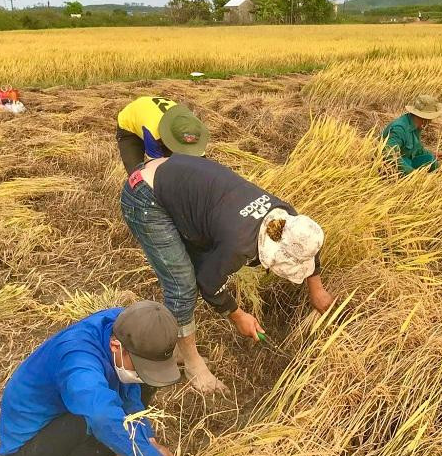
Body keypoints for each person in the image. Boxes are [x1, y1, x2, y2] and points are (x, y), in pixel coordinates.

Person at [120, 155, 334, 395]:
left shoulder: (286, 217)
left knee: (191, 262)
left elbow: (308, 245)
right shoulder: (239, 245)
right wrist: (238, 315)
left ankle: (180, 341)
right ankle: (192, 363)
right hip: (146, 194)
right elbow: (209, 284)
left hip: (174, 174)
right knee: (182, 285)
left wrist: (317, 288)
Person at [0, 301, 180, 456]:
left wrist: (145, 439)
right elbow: (101, 417)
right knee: (99, 421)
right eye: (139, 365)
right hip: (30, 452)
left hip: (67, 415)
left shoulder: (125, 326)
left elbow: (130, 392)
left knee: (141, 382)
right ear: (115, 346)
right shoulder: (78, 362)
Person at [116, 95, 210, 172]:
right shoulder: (153, 133)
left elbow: (201, 159)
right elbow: (156, 167)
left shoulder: (192, 126)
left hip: (152, 113)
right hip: (129, 126)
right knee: (137, 174)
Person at [381, 94, 442, 175]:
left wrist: (431, 154)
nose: (431, 121)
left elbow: (417, 149)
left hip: (408, 161)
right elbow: (390, 155)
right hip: (393, 168)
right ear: (425, 119)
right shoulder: (399, 129)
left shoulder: (416, 126)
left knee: (431, 159)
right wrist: (413, 174)